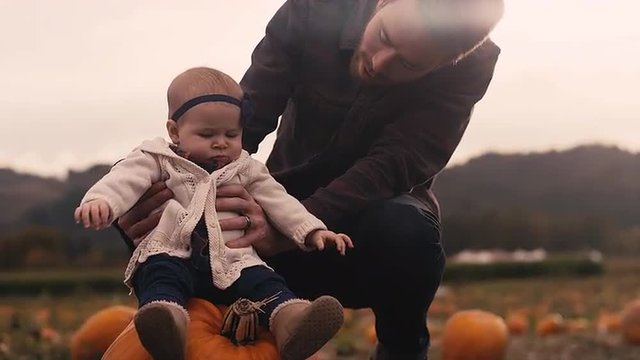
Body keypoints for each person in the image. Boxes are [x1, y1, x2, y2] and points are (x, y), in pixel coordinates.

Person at [117, 0, 504, 358]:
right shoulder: (315, 8)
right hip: (277, 202)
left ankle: (401, 348)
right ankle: (172, 317)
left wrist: (293, 226)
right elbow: (244, 119)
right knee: (157, 199)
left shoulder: (470, 64)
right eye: (384, 37)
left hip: (365, 229)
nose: (380, 62)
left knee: (409, 230)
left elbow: (393, 164)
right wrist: (168, 180)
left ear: (443, 63)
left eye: (408, 65)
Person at [75, 67, 353, 360]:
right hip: (172, 251)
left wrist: (312, 230)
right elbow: (123, 180)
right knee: (160, 277)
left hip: (233, 258)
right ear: (174, 131)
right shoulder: (157, 159)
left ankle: (292, 322)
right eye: (207, 134)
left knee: (265, 282)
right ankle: (168, 324)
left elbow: (280, 202)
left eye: (231, 134)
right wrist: (102, 201)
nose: (221, 142)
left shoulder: (246, 169)